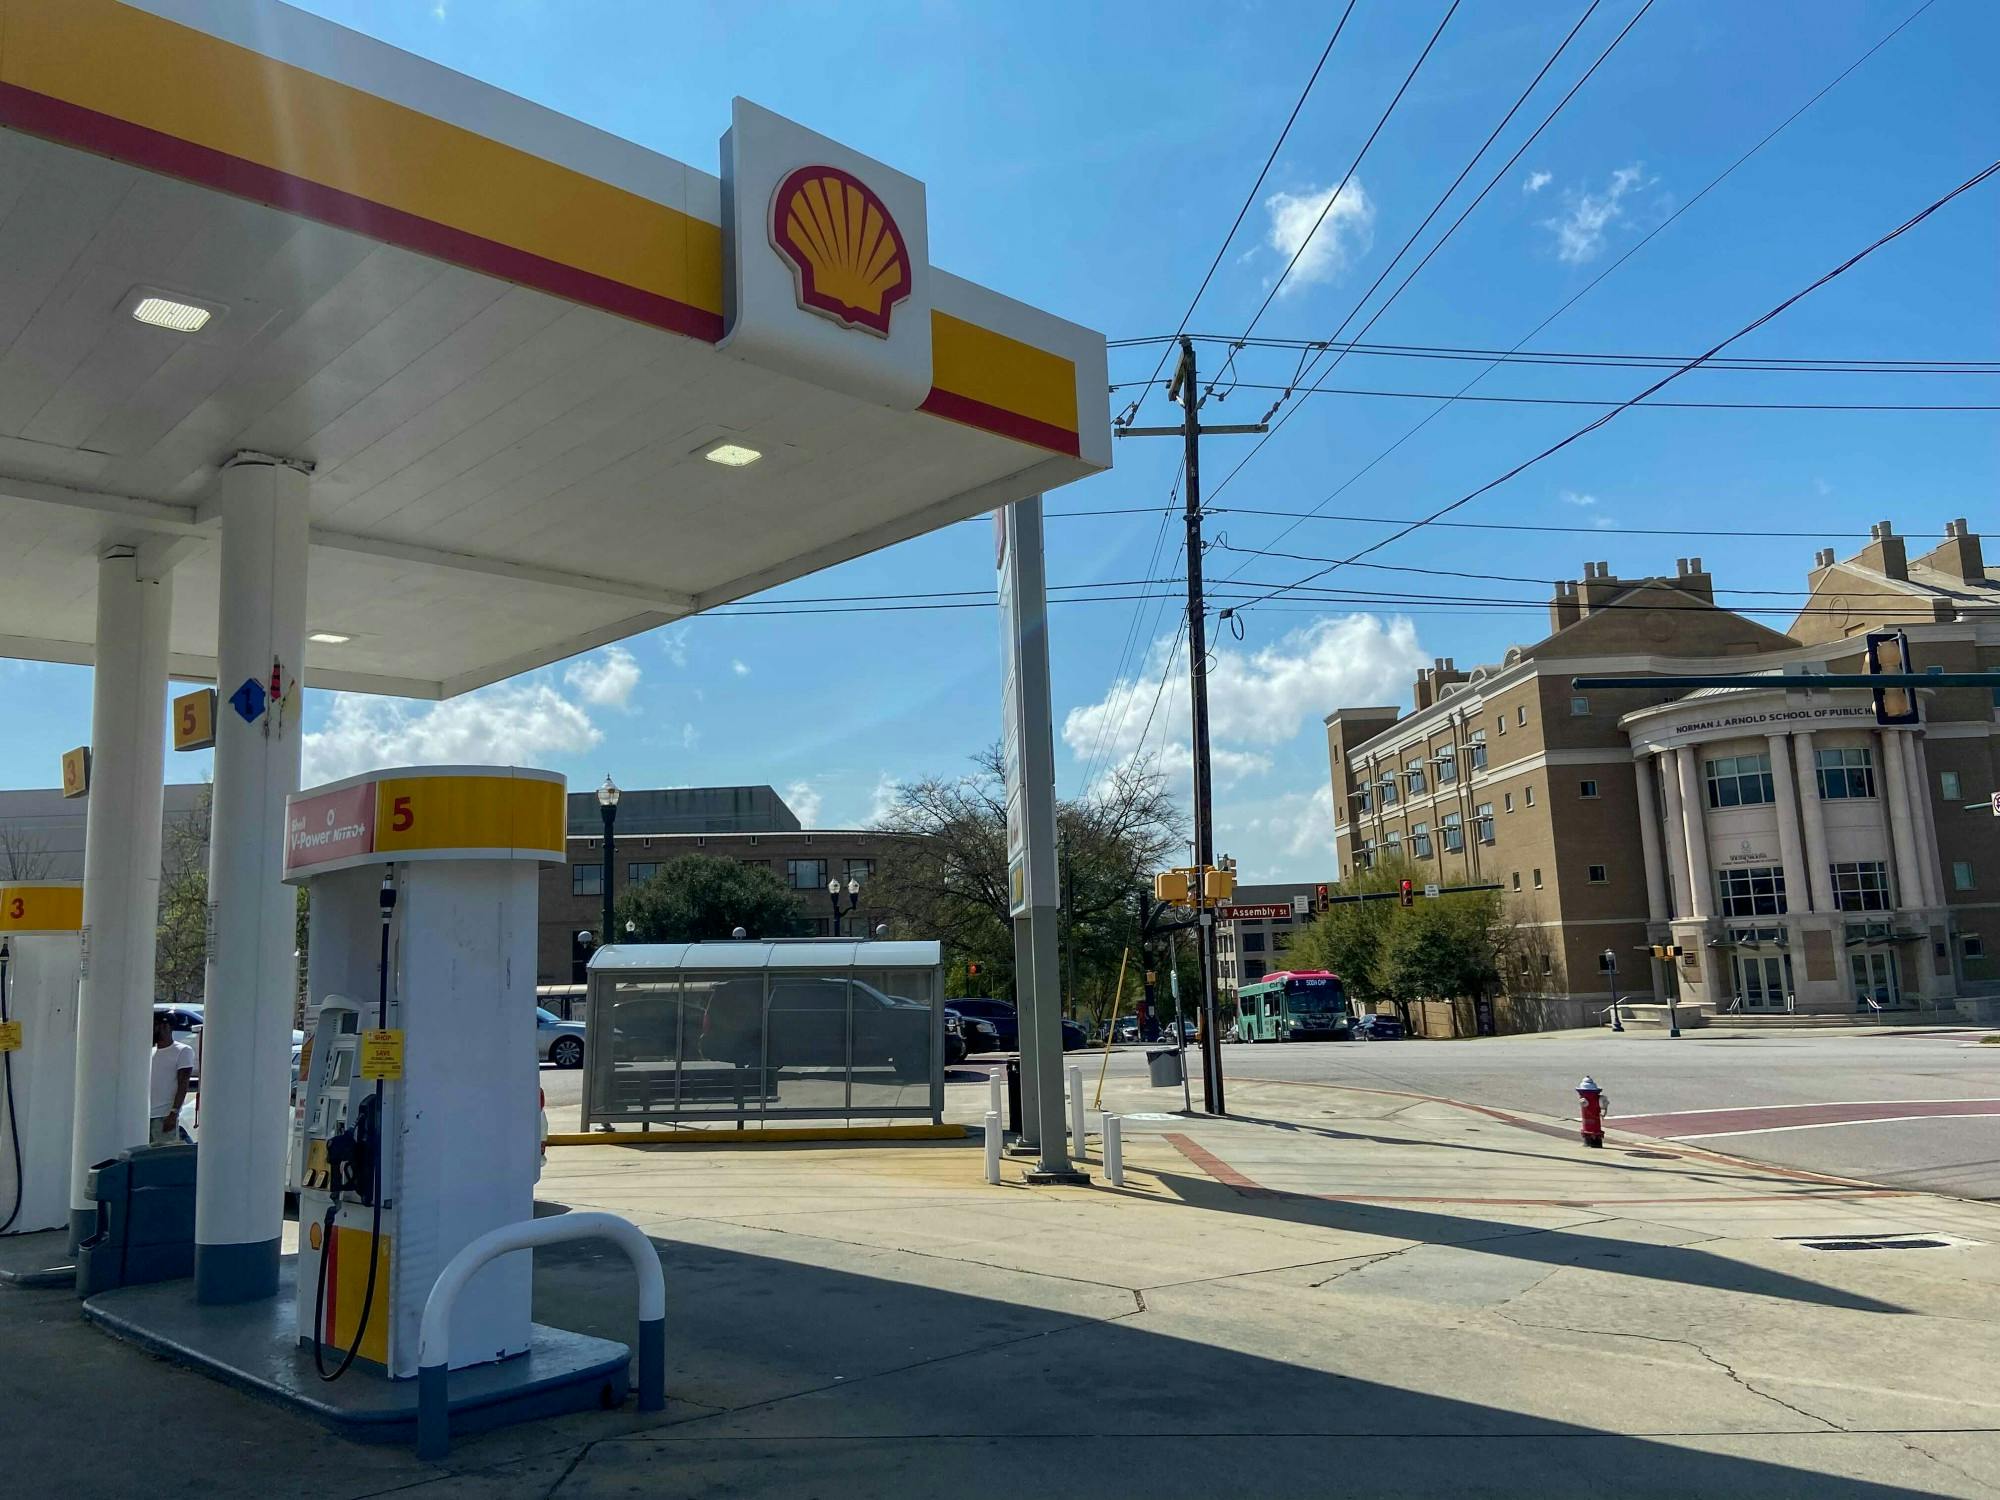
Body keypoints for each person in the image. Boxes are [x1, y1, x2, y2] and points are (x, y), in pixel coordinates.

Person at [151, 1012, 195, 1145]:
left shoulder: (183, 1051)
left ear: (166, 1027)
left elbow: (183, 1084)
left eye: (155, 1025)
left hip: (164, 1116)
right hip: (144, 1116)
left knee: (160, 1156)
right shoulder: (150, 1051)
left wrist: (173, 1113)